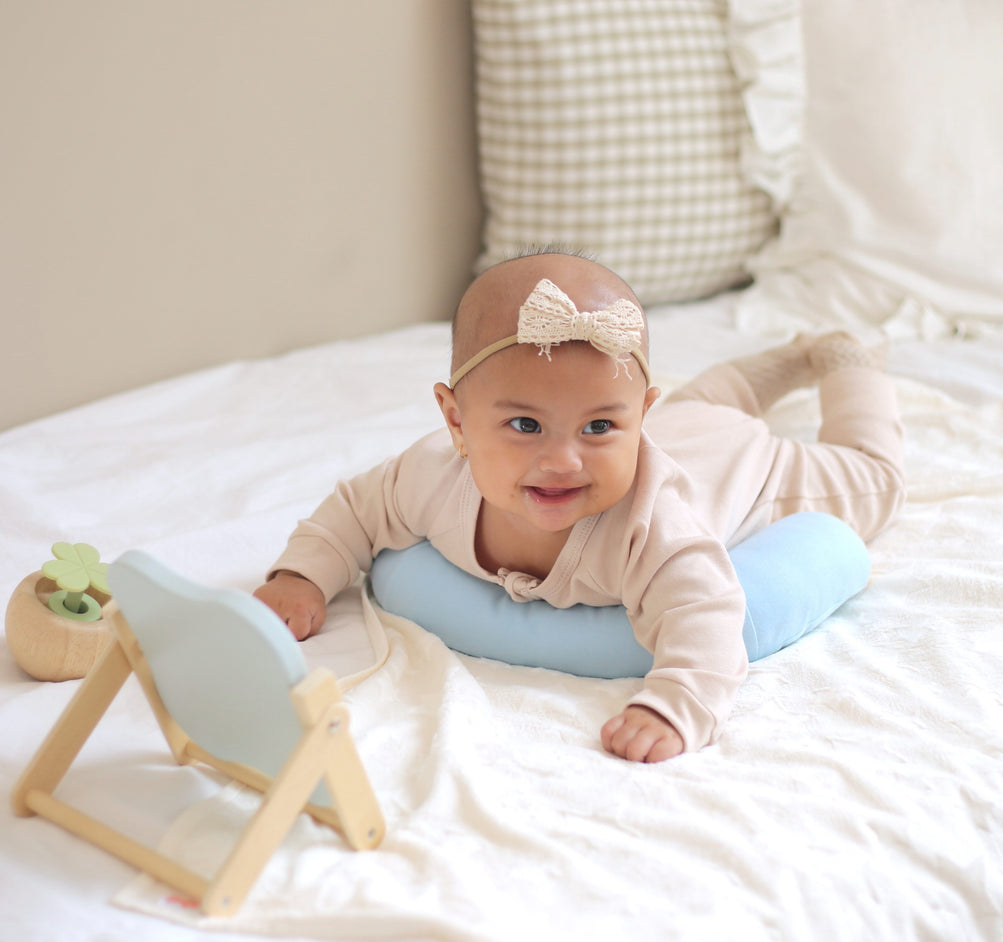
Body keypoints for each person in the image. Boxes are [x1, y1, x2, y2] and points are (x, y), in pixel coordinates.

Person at [255, 250, 905, 762]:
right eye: (526, 426)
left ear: (638, 421)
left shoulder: (653, 527)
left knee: (874, 484)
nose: (564, 460)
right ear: (456, 421)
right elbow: (354, 509)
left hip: (742, 467)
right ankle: (792, 356)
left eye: (599, 428)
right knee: (703, 408)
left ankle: (845, 358)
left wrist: (674, 706)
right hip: (687, 423)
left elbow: (706, 612)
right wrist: (303, 574)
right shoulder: (431, 476)